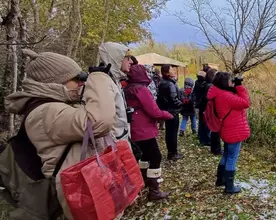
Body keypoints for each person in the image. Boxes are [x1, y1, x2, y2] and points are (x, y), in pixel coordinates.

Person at [4, 49, 118, 219]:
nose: (81, 84)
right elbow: (99, 121)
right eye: (76, 79)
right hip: (77, 194)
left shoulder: (55, 107)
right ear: (56, 83)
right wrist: (98, 79)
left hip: (83, 188)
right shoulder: (45, 112)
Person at [123, 64, 173, 201]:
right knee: (156, 156)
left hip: (133, 128)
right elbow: (153, 111)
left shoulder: (127, 88)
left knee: (145, 155)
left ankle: (143, 180)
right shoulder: (141, 90)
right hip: (144, 129)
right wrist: (168, 115)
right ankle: (154, 190)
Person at [207, 72, 250, 194]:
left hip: (227, 129)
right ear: (224, 83)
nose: (232, 83)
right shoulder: (225, 96)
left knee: (226, 154)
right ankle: (229, 187)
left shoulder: (218, 94)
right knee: (231, 157)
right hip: (234, 130)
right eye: (230, 81)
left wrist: (235, 86)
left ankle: (220, 180)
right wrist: (239, 86)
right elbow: (245, 103)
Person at [98, 42, 133, 141]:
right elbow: (103, 121)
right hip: (114, 144)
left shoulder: (115, 80)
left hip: (121, 139)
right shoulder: (104, 83)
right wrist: (117, 140)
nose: (131, 62)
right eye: (127, 58)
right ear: (117, 59)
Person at [157, 64, 183, 160]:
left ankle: (170, 152)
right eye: (171, 69)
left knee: (169, 133)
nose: (173, 70)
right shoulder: (170, 84)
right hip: (173, 111)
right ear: (166, 72)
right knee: (173, 133)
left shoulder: (162, 82)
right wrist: (182, 104)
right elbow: (174, 99)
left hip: (167, 111)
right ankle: (173, 153)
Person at [199, 68, 223, 155]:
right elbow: (209, 98)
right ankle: (215, 148)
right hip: (209, 110)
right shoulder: (210, 86)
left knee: (208, 127)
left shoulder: (205, 84)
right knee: (214, 129)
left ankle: (207, 142)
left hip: (205, 109)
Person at [194, 70, 210, 146]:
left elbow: (194, 92)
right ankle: (205, 139)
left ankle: (200, 137)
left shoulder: (197, 82)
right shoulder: (206, 84)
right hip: (204, 105)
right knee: (205, 123)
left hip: (199, 104)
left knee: (201, 122)